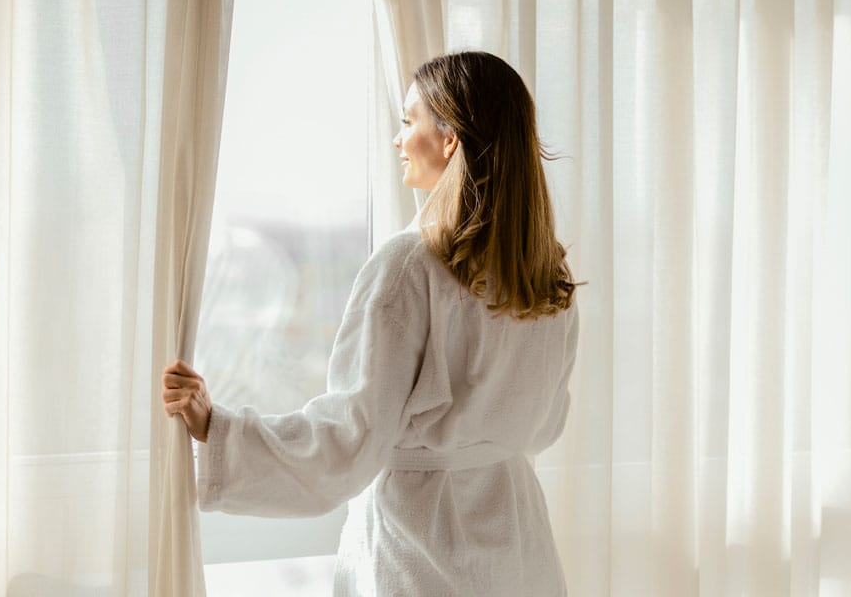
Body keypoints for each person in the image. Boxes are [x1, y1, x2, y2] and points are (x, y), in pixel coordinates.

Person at [161, 51, 580, 596]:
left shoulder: (410, 265)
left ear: (450, 140)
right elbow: (545, 425)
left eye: (409, 121)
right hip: (520, 549)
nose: (398, 138)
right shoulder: (546, 274)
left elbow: (349, 441)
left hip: (421, 552)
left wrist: (218, 431)